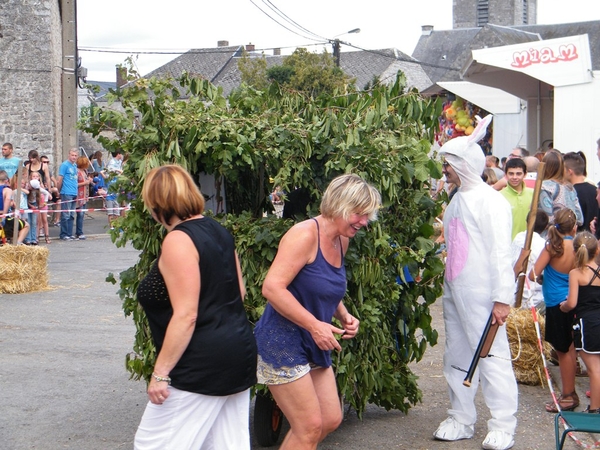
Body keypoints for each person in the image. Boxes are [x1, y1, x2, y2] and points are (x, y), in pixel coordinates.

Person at [254, 173, 381, 450]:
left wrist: (344, 315)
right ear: (338, 206)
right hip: (283, 340)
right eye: (358, 214)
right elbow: (272, 288)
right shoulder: (304, 235)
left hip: (313, 339)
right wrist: (314, 324)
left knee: (330, 419)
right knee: (309, 427)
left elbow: (323, 287)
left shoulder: (342, 239)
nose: (364, 222)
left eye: (367, 215)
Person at [134, 165, 257, 449]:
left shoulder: (178, 240)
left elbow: (187, 315)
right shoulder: (219, 231)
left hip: (201, 363)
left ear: (157, 204)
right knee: (225, 444)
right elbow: (238, 292)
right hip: (237, 350)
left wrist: (160, 374)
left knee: (153, 444)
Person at [433, 115, 518, 450]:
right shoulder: (457, 200)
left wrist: (502, 298)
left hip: (484, 296)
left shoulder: (491, 201)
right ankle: (461, 416)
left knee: (492, 356)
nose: (445, 170)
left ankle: (502, 424)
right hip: (456, 291)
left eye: (449, 164)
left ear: (465, 163)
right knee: (456, 353)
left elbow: (500, 254)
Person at [530, 208, 579, 413]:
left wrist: (543, 277)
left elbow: (533, 274)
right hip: (574, 301)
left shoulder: (553, 247)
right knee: (571, 349)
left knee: (563, 351)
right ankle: (570, 392)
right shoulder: (578, 247)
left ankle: (568, 395)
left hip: (557, 303)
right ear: (575, 228)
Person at [560, 231, 600, 413]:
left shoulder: (576, 273)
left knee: (593, 369)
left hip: (588, 325)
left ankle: (595, 409)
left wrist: (563, 307)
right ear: (596, 250)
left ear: (575, 252)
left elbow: (572, 303)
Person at [510, 210, 549, 311]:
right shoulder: (544, 245)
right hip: (532, 296)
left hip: (516, 293)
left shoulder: (518, 237)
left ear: (527, 222)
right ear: (545, 227)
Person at [539, 150, 583, 229]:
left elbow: (547, 219)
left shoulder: (544, 187)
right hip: (569, 235)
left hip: (550, 236)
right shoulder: (570, 187)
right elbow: (580, 218)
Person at [564, 151, 597, 233]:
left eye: (562, 169)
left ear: (569, 171)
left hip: (577, 240)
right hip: (593, 240)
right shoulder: (595, 190)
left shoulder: (570, 193)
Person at [500, 158, 534, 240]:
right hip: (508, 244)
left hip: (530, 244)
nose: (515, 177)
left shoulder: (534, 194)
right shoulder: (499, 196)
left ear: (525, 174)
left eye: (518, 174)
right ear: (505, 175)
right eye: (511, 174)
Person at [57, 148, 79, 241]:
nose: (74, 157)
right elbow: (60, 179)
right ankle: (64, 234)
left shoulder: (75, 166)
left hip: (74, 192)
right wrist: (59, 190)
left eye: (75, 155)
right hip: (66, 192)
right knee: (65, 214)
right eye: (72, 155)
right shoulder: (64, 165)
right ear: (69, 155)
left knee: (71, 215)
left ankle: (69, 233)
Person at [75, 156, 92, 240]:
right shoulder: (77, 172)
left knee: (82, 214)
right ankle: (79, 232)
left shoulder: (85, 171)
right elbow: (75, 184)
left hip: (85, 195)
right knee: (80, 214)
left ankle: (80, 231)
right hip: (79, 195)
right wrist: (85, 182)